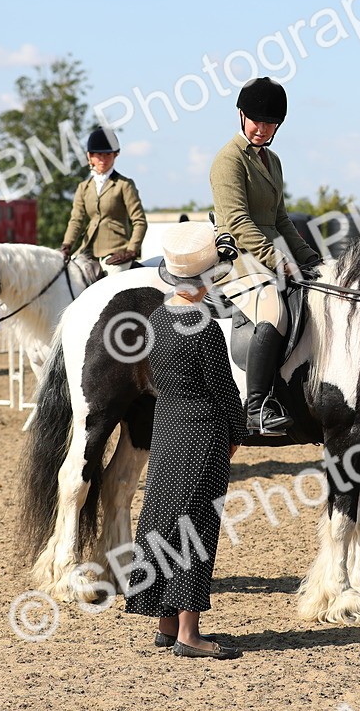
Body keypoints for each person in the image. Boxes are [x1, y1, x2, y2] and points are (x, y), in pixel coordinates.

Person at [124, 222, 245, 660]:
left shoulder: (156, 318)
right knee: (196, 526)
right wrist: (239, 432)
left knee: (162, 517)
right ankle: (189, 634)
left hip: (168, 427)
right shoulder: (204, 327)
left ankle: (164, 621)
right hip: (203, 433)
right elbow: (225, 390)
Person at [208, 76, 321, 435]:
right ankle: (255, 408)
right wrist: (279, 260)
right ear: (241, 115)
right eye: (256, 120)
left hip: (272, 252)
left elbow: (280, 219)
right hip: (237, 255)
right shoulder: (228, 160)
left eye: (270, 123)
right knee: (272, 312)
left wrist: (308, 257)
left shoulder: (272, 160)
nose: (262, 128)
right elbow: (239, 222)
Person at [60, 127, 147, 275]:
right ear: (90, 156)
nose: (103, 159)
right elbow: (76, 220)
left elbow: (139, 222)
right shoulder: (84, 187)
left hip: (117, 252)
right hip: (88, 250)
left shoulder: (124, 185)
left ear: (115, 155)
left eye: (108, 155)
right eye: (99, 155)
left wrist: (131, 251)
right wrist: (67, 245)